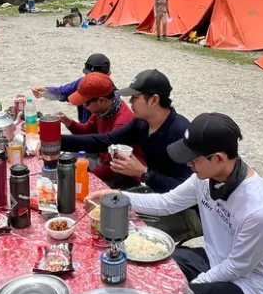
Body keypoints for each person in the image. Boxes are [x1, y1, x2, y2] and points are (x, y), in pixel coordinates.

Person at [87, 113, 263, 294]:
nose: (188, 164)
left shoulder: (259, 210)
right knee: (148, 269)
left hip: (248, 284)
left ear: (218, 158)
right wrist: (119, 197)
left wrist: (188, 286)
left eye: (193, 160)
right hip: (213, 258)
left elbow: (237, 267)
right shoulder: (205, 177)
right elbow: (167, 203)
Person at [60, 69, 201, 242]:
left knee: (124, 233)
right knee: (107, 217)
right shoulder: (142, 122)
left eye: (135, 97)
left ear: (154, 100)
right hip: (154, 196)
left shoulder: (179, 132)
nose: (130, 102)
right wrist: (56, 141)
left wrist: (144, 173)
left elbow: (187, 192)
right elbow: (106, 140)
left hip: (185, 212)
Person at [59, 72, 138, 188]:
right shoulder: (103, 111)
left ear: (101, 100)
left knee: (72, 185)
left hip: (121, 176)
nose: (84, 107)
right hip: (103, 160)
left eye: (86, 103)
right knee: (64, 159)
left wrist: (82, 177)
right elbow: (86, 131)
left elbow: (110, 170)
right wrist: (68, 121)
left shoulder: (121, 123)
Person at [32, 53, 111, 124]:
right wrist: (46, 92)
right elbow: (63, 93)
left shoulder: (111, 104)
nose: (89, 79)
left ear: (109, 75)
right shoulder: (82, 83)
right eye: (88, 75)